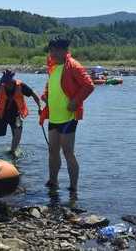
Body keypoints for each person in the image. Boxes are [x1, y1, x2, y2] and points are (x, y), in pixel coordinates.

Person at [40, 39, 94, 192]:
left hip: (69, 116)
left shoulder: (73, 66)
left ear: (64, 50)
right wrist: (45, 96)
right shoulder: (53, 66)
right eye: (50, 51)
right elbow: (51, 85)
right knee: (52, 150)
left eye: (55, 51)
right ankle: (53, 181)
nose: (52, 54)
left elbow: (89, 85)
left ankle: (73, 187)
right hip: (54, 116)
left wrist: (75, 102)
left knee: (68, 152)